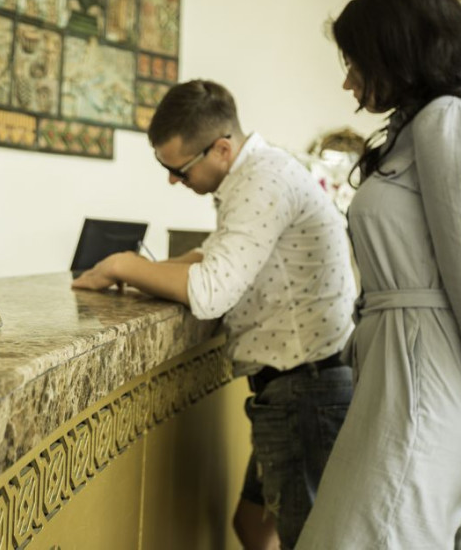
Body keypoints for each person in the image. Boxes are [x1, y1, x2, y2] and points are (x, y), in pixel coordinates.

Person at [72, 79, 356, 550]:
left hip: (306, 389)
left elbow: (210, 292)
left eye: (179, 171)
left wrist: (125, 265)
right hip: (294, 386)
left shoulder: (263, 181)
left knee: (308, 540)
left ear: (221, 149)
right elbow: (211, 255)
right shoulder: (255, 173)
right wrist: (141, 272)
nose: (173, 181)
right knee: (253, 526)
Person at [296, 0, 461, 549]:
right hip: (393, 367)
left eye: (356, 61)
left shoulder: (443, 120)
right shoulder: (410, 129)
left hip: (420, 374)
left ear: (398, 50)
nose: (347, 80)